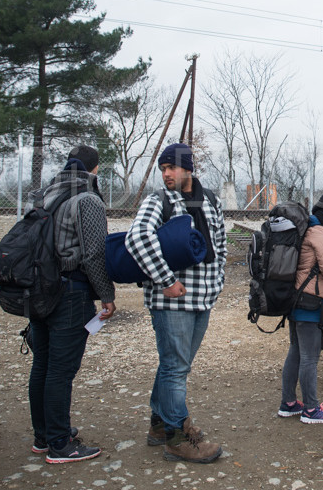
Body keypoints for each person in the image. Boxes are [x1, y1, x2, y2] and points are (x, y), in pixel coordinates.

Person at [126, 143, 225, 462]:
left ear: (188, 169)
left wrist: (217, 282)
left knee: (175, 365)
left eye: (172, 167)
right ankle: (177, 438)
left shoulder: (210, 200)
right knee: (175, 366)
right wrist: (166, 280)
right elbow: (137, 238)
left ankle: (158, 425)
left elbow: (220, 245)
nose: (166, 173)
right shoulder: (159, 200)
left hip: (202, 299)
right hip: (170, 304)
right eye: (163, 168)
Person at [28, 145, 115, 463]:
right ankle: (61, 445)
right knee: (61, 372)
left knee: (42, 365)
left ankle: (44, 435)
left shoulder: (43, 194)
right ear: (94, 170)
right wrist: (107, 294)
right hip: (69, 292)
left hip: (37, 290)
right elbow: (93, 253)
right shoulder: (88, 199)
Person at [278, 191, 323, 423]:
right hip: (313, 301)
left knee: (296, 353)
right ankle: (311, 409)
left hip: (298, 299)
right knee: (309, 358)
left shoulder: (312, 227)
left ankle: (289, 403)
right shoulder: (322, 231)